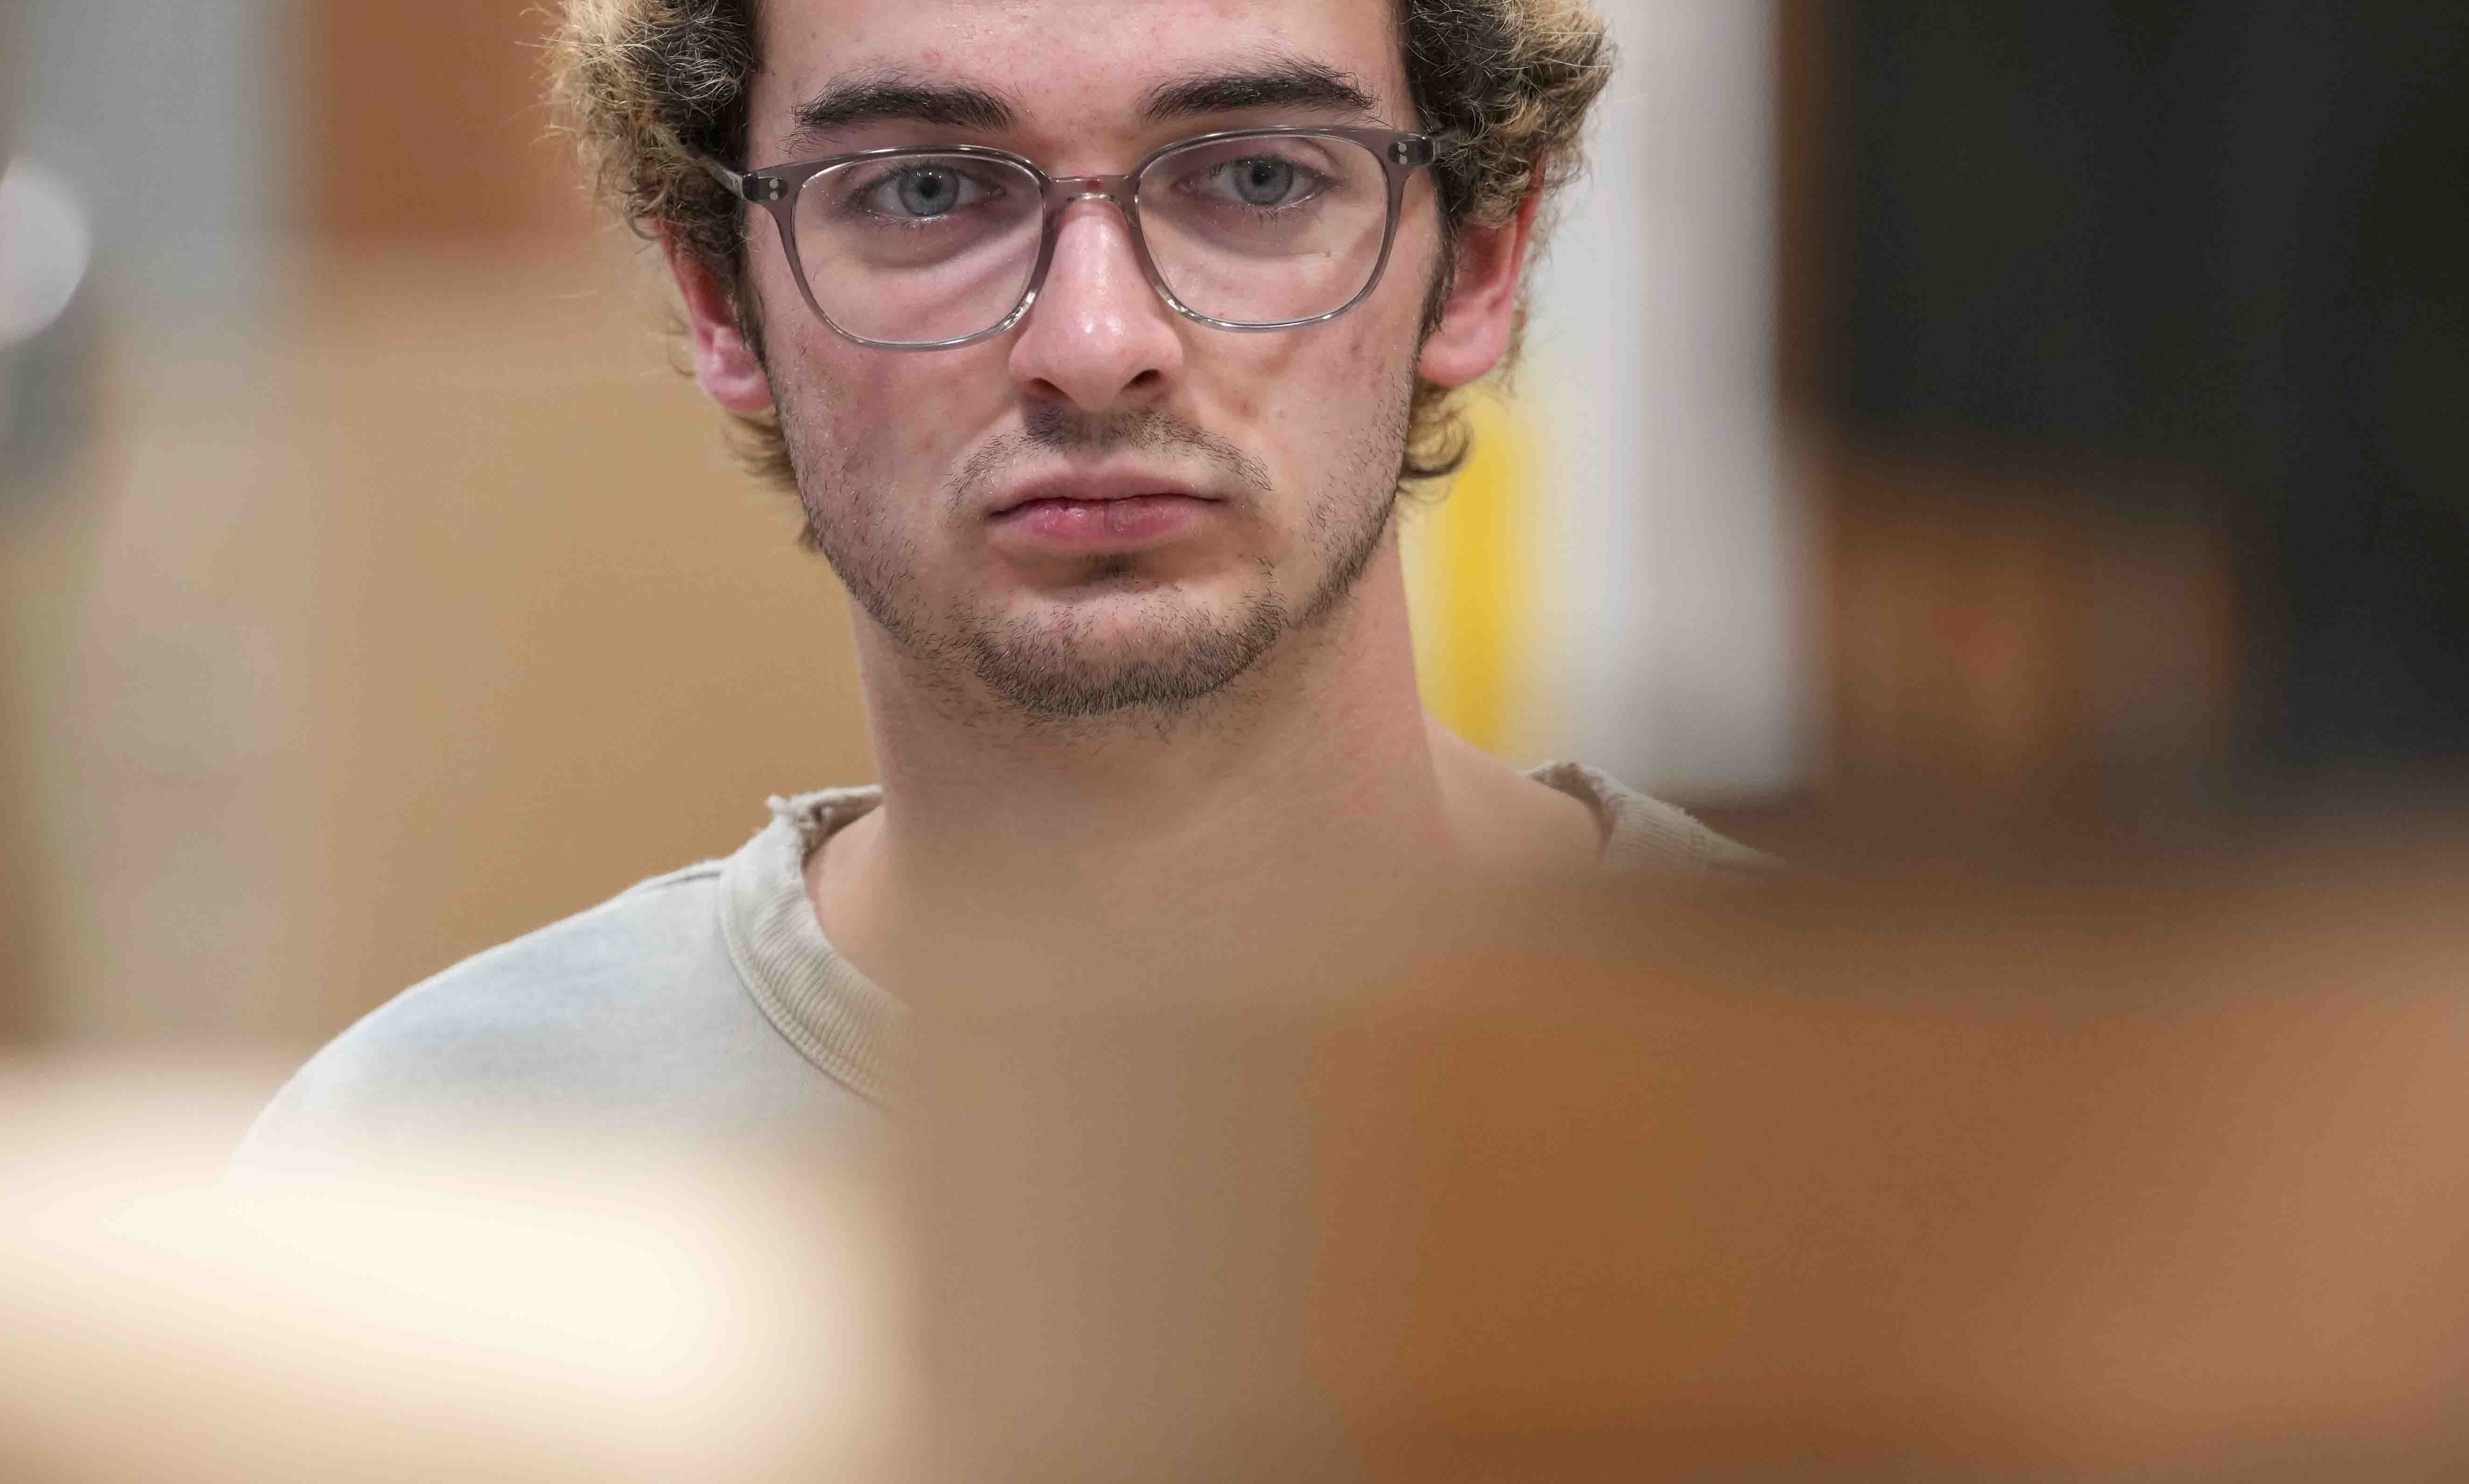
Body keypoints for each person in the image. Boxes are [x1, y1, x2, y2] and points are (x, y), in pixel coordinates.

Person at [245, 0, 1761, 1157]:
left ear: (1481, 261)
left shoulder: (1895, 1122)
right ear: (720, 294)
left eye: (1252, 176)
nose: (1094, 346)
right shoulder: (434, 1180)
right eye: (923, 193)